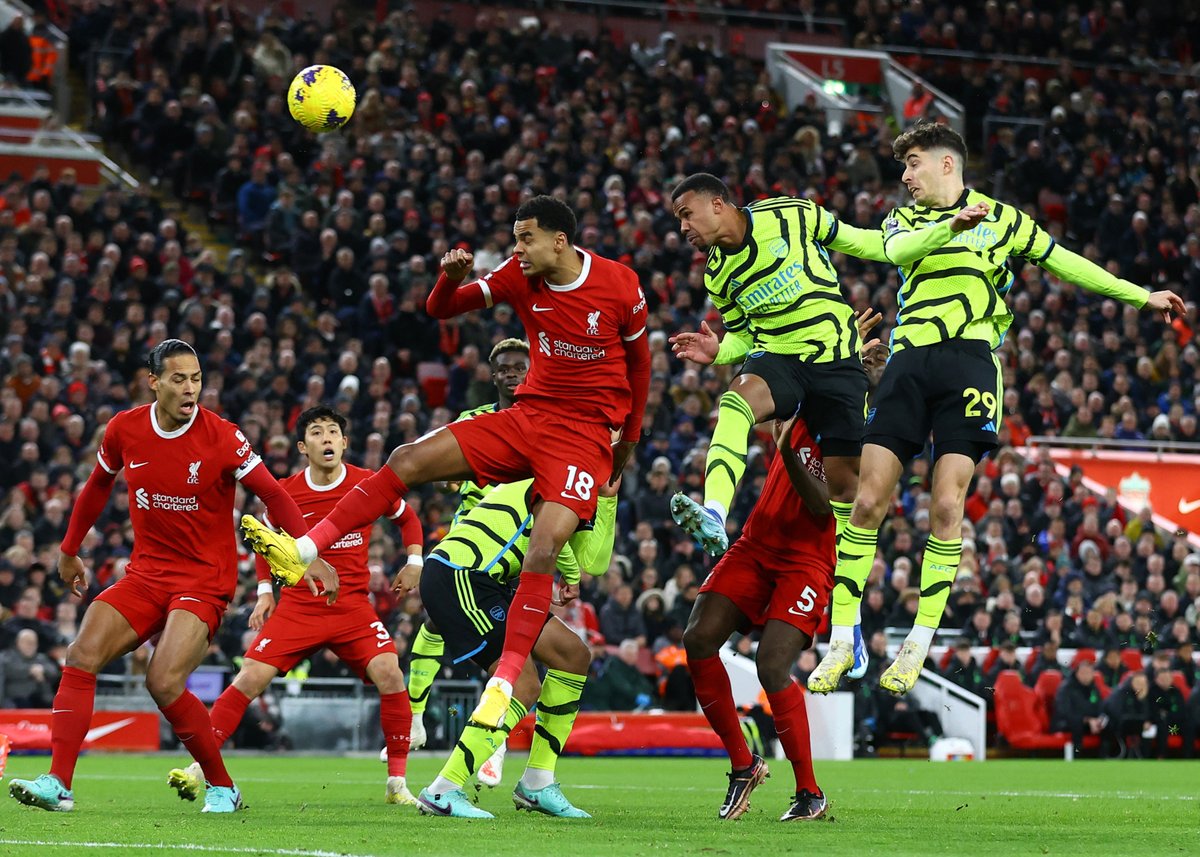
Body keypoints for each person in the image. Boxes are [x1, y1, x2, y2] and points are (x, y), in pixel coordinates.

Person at [243, 196, 650, 730]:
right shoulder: (517, 276)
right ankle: (304, 546)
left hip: (583, 438)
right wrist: (447, 279)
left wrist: (626, 444)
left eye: (526, 237)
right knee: (405, 458)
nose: (517, 248)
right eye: (514, 237)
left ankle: (507, 680)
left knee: (546, 546)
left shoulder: (620, 284)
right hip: (529, 419)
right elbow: (441, 310)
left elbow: (641, 367)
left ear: (559, 240)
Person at [810, 120, 1184, 696]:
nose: (905, 176)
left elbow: (1065, 262)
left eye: (913, 163)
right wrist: (948, 228)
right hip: (908, 362)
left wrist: (1139, 295)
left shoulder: (1004, 220)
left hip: (970, 363)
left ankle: (916, 645)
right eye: (903, 166)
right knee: (866, 500)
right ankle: (840, 643)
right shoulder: (904, 221)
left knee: (946, 502)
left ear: (946, 164)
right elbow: (893, 251)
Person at [8, 339, 335, 814]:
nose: (190, 389)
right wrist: (69, 549)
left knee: (162, 681)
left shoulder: (222, 436)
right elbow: (98, 484)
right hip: (146, 574)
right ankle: (58, 784)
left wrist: (309, 551)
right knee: (81, 656)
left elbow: (274, 495)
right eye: (179, 379)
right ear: (154, 382)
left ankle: (223, 786)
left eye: (197, 379)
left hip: (204, 580)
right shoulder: (125, 429)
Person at [666, 173, 984, 556]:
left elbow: (866, 242)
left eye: (687, 214)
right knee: (735, 403)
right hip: (780, 356)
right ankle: (715, 512)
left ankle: (838, 587)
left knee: (848, 491)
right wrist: (719, 351)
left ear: (717, 203)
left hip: (837, 359)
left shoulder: (789, 214)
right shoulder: (717, 274)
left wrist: (946, 229)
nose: (683, 227)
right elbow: (744, 337)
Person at [681, 310, 889, 823]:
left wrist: (787, 452)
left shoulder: (867, 436)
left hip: (807, 557)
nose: (867, 359)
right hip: (757, 542)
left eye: (878, 359)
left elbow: (825, 506)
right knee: (698, 637)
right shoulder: (814, 392)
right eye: (864, 352)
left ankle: (809, 793)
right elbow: (781, 360)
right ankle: (742, 765)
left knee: (773, 665)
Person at [165, 405, 425, 806]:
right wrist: (266, 591)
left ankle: (397, 785)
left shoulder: (367, 483)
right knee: (248, 678)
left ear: (344, 442)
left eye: (333, 432)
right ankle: (200, 769)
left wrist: (413, 561)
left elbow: (407, 518)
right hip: (301, 606)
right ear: (303, 447)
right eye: (317, 433)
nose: (326, 438)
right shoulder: (286, 492)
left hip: (352, 607)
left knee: (391, 674)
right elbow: (261, 540)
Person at [415, 474, 618, 818]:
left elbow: (570, 545)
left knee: (573, 656)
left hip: (492, 581)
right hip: (462, 575)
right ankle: (443, 788)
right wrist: (607, 502)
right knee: (523, 686)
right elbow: (585, 557)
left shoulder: (572, 479)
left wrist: (569, 573)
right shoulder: (564, 474)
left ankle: (537, 783)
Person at [405, 338, 529, 762]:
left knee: (510, 636)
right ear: (493, 376)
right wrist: (451, 474)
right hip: (472, 534)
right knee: (441, 621)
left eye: (519, 367)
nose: (512, 374)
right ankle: (416, 715)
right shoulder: (474, 419)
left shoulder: (545, 419)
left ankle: (490, 731)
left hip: (521, 538)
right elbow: (442, 464)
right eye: (505, 369)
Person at [1051, 659, 1106, 756]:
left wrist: (1099, 719)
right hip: (1065, 723)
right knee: (1077, 724)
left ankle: (1106, 756)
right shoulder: (1066, 688)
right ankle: (1077, 756)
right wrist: (1086, 720)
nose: (1086, 676)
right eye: (1083, 673)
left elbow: (1100, 706)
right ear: (1076, 673)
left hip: (1089, 723)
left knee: (1108, 725)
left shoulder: (1094, 688)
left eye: (1089, 673)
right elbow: (1064, 712)